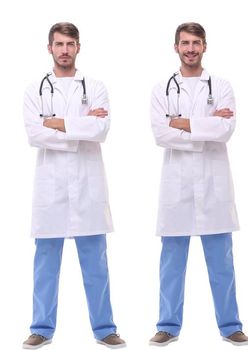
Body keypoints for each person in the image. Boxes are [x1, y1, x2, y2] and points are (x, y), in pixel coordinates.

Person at [21, 22, 125, 350]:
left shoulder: (95, 87)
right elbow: (34, 134)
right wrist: (80, 126)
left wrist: (57, 124)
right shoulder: (34, 89)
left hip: (88, 188)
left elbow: (100, 130)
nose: (64, 50)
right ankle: (41, 328)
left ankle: (105, 329)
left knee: (96, 264)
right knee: (45, 266)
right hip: (50, 189)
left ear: (79, 47)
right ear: (49, 48)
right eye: (58, 44)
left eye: (70, 44)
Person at [148, 22, 248, 347]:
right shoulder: (161, 88)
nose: (190, 48)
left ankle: (230, 325)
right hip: (176, 187)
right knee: (171, 264)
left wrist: (182, 125)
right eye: (184, 43)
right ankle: (167, 325)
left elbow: (224, 130)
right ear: (175, 47)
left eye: (196, 43)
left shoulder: (221, 86)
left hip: (213, 186)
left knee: (222, 262)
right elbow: (160, 134)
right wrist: (203, 128)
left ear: (205, 46)